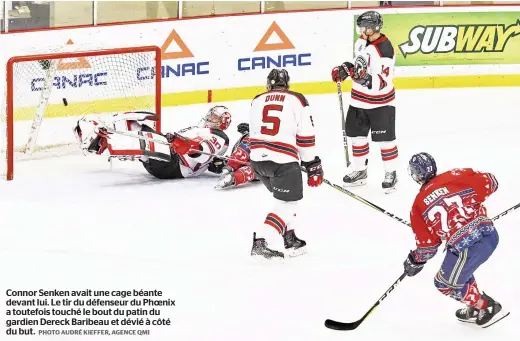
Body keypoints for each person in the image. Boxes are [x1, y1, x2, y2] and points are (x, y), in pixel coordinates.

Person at [404, 153, 509, 328]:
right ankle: (474, 307)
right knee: (459, 272)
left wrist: (415, 260)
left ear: (415, 176)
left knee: (444, 284)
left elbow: (428, 248)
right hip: (489, 234)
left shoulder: (418, 206)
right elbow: (491, 181)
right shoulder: (456, 175)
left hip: (467, 247)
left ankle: (486, 307)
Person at [248, 68, 323, 260]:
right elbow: (306, 134)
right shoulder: (296, 99)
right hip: (282, 161)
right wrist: (311, 162)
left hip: (257, 161)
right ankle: (262, 241)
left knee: (286, 200)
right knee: (288, 204)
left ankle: (290, 238)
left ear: (268, 84)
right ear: (287, 84)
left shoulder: (257, 100)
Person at [331, 10, 398, 193]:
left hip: (380, 104)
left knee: (385, 141)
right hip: (358, 101)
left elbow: (381, 82)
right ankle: (360, 171)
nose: (360, 30)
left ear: (372, 28)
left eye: (363, 27)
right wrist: (346, 68)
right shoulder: (362, 41)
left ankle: (391, 173)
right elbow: (358, 62)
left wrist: (362, 78)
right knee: (356, 136)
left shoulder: (384, 51)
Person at [73, 106, 232, 180]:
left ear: (222, 123)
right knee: (135, 125)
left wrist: (185, 144)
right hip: (169, 157)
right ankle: (96, 141)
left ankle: (102, 141)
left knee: (143, 137)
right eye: (211, 116)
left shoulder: (220, 137)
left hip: (176, 166)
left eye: (215, 119)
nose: (210, 120)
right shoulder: (200, 129)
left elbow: (202, 153)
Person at [214, 123, 258, 190]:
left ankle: (232, 178)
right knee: (252, 138)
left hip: (262, 165)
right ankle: (228, 167)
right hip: (238, 157)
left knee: (258, 170)